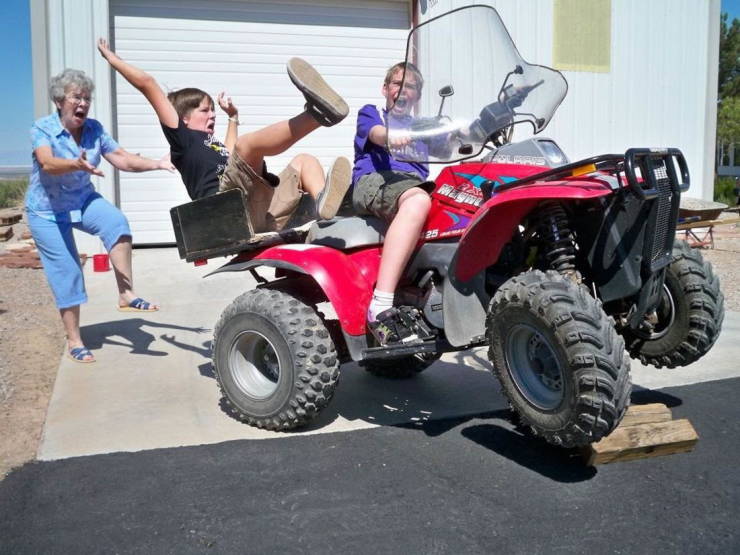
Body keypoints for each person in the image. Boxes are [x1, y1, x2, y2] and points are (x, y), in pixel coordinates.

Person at [96, 39, 351, 232]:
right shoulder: (182, 140)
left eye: (213, 111)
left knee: (304, 161)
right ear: (184, 118)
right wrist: (112, 59)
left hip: (260, 206)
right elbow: (148, 84)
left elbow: (231, 157)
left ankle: (326, 212)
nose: (212, 115)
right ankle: (318, 116)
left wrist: (232, 117)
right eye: (205, 110)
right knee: (247, 146)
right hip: (226, 208)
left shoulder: (211, 144)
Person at [28, 68, 174, 363]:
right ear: (60, 101)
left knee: (116, 222)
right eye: (76, 97)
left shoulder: (94, 129)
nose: (82, 103)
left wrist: (156, 164)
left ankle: (126, 294)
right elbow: (46, 163)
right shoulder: (42, 129)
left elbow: (122, 158)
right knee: (68, 271)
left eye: (87, 98)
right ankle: (75, 340)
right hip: (46, 210)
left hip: (81, 200)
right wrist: (75, 164)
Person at [351, 62, 433, 345]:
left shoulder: (423, 126)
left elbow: (460, 137)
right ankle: (381, 305)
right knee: (418, 201)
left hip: (411, 185)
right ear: (385, 89)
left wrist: (500, 111)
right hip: (376, 180)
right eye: (396, 84)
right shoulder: (372, 113)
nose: (401, 91)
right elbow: (373, 133)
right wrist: (390, 136)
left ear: (417, 96)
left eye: (409, 86)